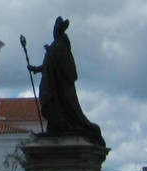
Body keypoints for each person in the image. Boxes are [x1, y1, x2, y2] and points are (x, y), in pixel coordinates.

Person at [27, 16, 105, 146]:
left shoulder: (59, 46)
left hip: (60, 88)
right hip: (56, 86)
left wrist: (49, 54)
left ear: (56, 31)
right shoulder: (58, 46)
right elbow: (49, 65)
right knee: (60, 107)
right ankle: (58, 125)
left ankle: (62, 125)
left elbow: (57, 65)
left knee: (67, 107)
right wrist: (36, 68)